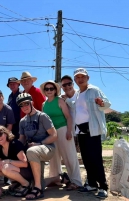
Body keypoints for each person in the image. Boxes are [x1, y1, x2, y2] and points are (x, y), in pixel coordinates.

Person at [68, 68, 110, 198]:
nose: (80, 79)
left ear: (88, 78)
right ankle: (92, 184)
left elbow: (107, 104)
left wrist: (101, 102)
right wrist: (66, 99)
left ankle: (103, 186)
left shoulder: (94, 90)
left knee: (96, 158)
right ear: (75, 80)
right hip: (80, 130)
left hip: (92, 129)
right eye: (78, 77)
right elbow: (75, 107)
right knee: (86, 159)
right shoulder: (78, 93)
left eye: (83, 77)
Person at [40, 80, 82, 190]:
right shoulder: (44, 105)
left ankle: (76, 181)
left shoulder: (60, 101)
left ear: (55, 90)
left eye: (51, 89)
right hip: (51, 132)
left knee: (69, 156)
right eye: (47, 89)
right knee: (53, 157)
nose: (49, 91)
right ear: (44, 91)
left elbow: (68, 117)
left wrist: (69, 131)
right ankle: (56, 179)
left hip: (63, 129)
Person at [17, 93, 57, 200]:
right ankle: (60, 178)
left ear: (32, 103)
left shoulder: (42, 116)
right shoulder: (22, 121)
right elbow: (21, 140)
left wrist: (39, 144)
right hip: (33, 152)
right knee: (21, 153)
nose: (24, 107)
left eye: (26, 103)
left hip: (47, 148)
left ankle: (38, 189)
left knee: (31, 151)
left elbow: (54, 135)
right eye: (21, 105)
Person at [0, 125, 32, 198]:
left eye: (0, 134)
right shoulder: (0, 148)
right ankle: (17, 183)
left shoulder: (15, 144)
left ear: (6, 133)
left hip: (27, 172)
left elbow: (25, 164)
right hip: (15, 170)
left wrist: (8, 161)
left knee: (6, 167)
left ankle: (26, 184)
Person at [61, 75, 81, 153]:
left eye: (69, 84)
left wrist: (67, 100)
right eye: (64, 85)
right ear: (61, 87)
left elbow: (77, 108)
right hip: (69, 131)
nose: (67, 86)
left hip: (82, 131)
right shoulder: (60, 98)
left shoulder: (80, 94)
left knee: (86, 156)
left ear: (73, 84)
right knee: (71, 155)